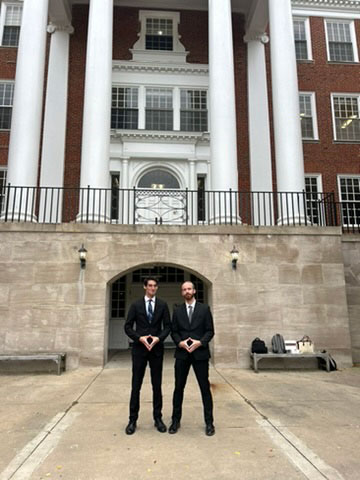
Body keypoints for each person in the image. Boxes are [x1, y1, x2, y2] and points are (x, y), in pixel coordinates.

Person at [124, 277, 171, 435]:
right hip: (139, 350)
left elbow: (168, 326)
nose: (152, 288)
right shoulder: (136, 305)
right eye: (150, 286)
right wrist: (139, 338)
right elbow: (128, 326)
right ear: (145, 287)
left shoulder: (163, 305)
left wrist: (159, 338)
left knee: (156, 385)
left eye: (155, 286)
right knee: (136, 385)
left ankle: (158, 418)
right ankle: (132, 420)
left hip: (156, 349)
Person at [169, 281, 215, 436]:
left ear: (194, 291)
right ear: (182, 293)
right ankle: (175, 421)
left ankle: (209, 423)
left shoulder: (204, 309)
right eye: (184, 289)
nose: (187, 291)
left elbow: (210, 331)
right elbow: (174, 331)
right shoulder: (177, 310)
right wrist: (180, 342)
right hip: (182, 354)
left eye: (189, 289)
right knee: (178, 388)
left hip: (200, 354)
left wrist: (200, 343)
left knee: (204, 389)